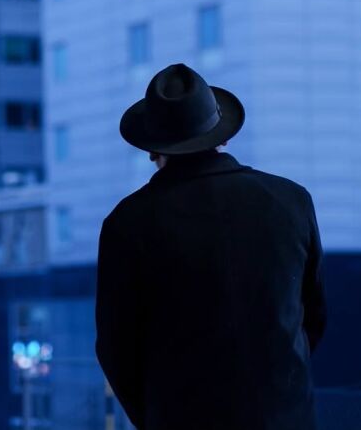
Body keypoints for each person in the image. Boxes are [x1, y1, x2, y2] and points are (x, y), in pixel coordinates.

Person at [95, 63, 327, 430]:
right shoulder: (291, 201)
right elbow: (312, 317)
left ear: (153, 150)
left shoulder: (127, 223)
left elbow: (116, 348)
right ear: (223, 136)